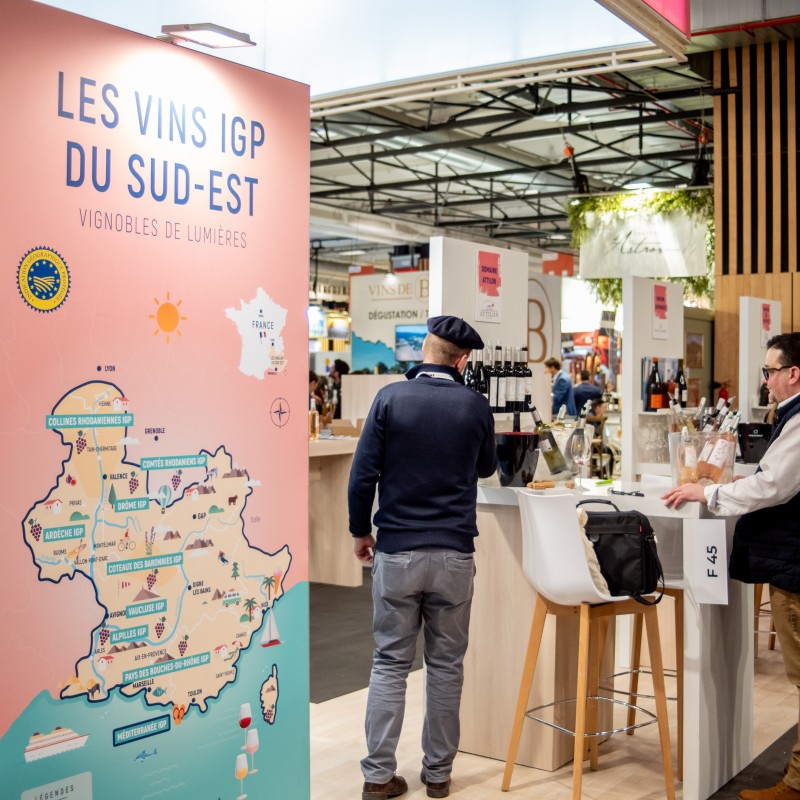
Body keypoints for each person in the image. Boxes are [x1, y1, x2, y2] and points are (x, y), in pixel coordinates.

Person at [348, 315, 497, 800]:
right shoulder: (475, 405)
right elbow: (487, 468)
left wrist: (360, 531)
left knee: (390, 662)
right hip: (454, 553)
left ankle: (377, 776)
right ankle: (438, 775)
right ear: (463, 361)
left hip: (396, 550)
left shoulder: (390, 398)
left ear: (425, 351)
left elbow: (362, 475)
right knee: (446, 665)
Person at [662, 332, 800, 800]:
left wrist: (710, 492)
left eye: (770, 371)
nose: (765, 380)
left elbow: (774, 487)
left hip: (793, 561)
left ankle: (796, 782)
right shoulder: (789, 416)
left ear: (793, 374)